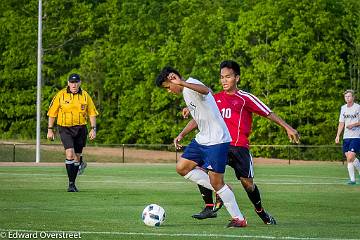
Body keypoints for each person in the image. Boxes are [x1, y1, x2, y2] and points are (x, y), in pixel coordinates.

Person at [183, 60, 300, 224]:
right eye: (222, 77)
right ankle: (209, 206)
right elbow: (199, 118)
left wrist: (287, 127)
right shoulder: (214, 99)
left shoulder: (245, 98)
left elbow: (268, 112)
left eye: (228, 77)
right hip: (218, 144)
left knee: (248, 184)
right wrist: (183, 130)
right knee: (200, 166)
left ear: (237, 78)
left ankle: (261, 211)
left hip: (238, 147)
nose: (224, 80)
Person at [155, 66, 247, 228]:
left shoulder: (190, 84)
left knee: (216, 182)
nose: (169, 91)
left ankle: (239, 218)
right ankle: (222, 189)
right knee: (182, 167)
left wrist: (182, 82)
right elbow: (201, 112)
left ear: (173, 78)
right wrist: (182, 134)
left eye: (168, 87)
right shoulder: (186, 92)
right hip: (203, 138)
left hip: (217, 139)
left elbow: (205, 90)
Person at [47, 73, 99, 192]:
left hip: (81, 128)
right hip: (65, 128)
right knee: (70, 154)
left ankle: (77, 170)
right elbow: (52, 113)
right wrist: (50, 129)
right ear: (68, 83)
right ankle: (71, 184)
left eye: (76, 82)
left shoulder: (85, 96)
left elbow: (92, 113)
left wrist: (93, 129)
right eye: (71, 82)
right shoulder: (61, 95)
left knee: (77, 157)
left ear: (79, 83)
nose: (74, 85)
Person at [335, 89, 360, 185]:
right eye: (346, 96)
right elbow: (341, 123)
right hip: (346, 137)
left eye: (349, 96)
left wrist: (353, 125)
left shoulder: (358, 107)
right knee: (350, 158)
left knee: (350, 157)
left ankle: (352, 180)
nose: (347, 98)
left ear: (353, 97)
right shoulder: (343, 108)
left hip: (356, 137)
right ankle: (355, 176)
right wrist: (338, 135)